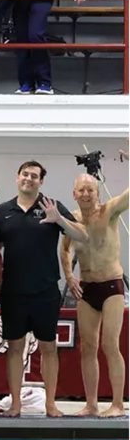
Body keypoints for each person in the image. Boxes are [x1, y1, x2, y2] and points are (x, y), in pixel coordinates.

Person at [0, 161, 87, 417]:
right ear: (17, 177)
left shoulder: (51, 206)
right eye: (25, 174)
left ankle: (50, 404)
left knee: (48, 347)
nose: (29, 179)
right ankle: (15, 403)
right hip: (13, 291)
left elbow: (82, 235)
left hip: (45, 290)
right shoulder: (3, 211)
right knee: (14, 348)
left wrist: (60, 221)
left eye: (34, 176)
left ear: (41, 181)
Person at [61, 176, 127, 418]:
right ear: (74, 193)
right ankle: (91, 404)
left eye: (90, 189)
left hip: (111, 285)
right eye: (82, 190)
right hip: (87, 288)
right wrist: (69, 276)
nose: (86, 194)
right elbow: (65, 249)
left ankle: (118, 404)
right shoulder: (72, 220)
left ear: (97, 192)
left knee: (110, 344)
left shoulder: (109, 211)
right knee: (87, 347)